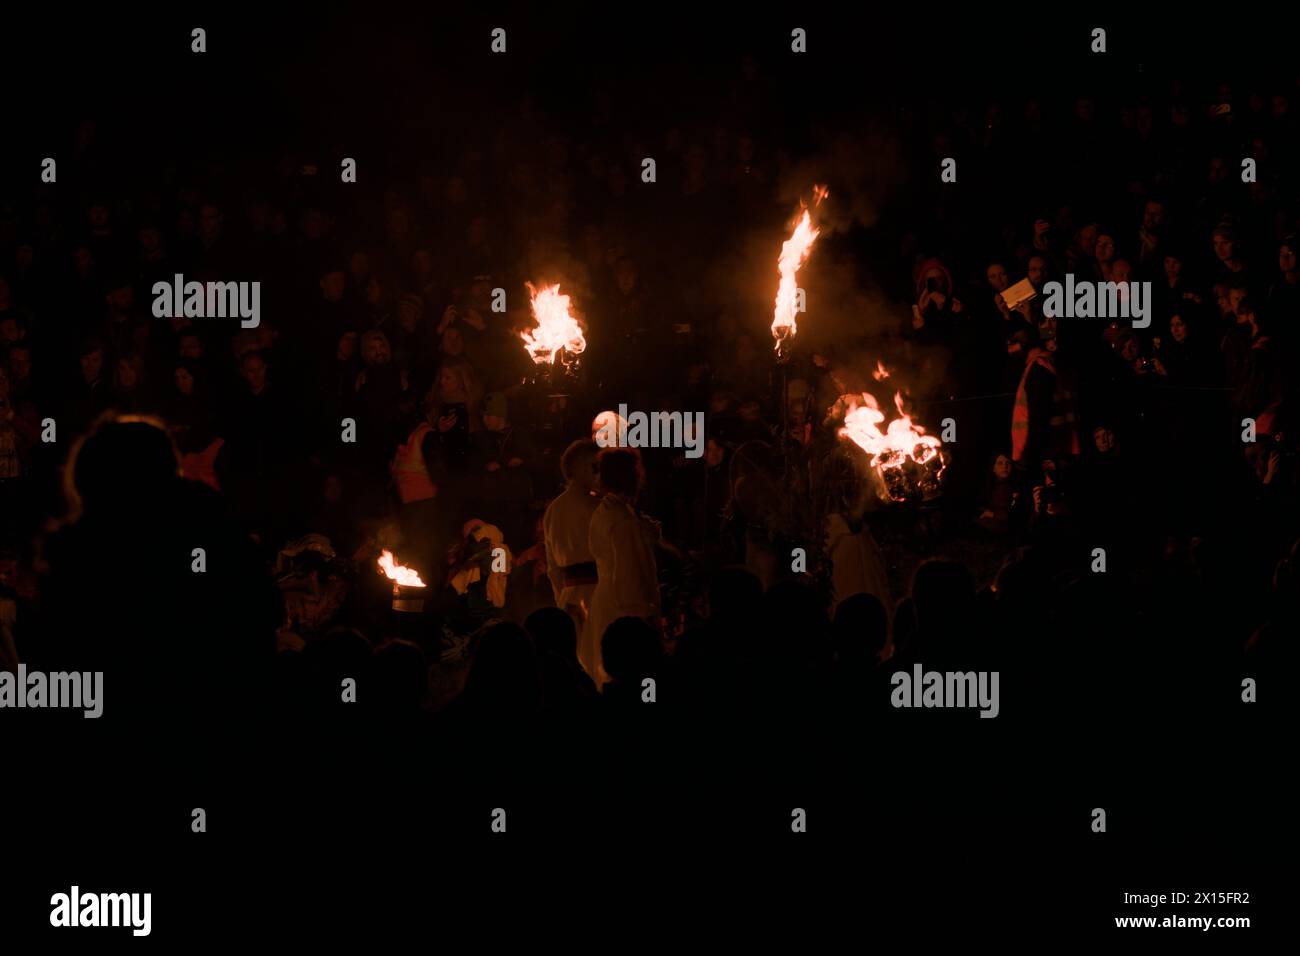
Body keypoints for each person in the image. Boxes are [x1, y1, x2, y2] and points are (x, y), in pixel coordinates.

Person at [586, 448, 661, 688]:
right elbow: (629, 574)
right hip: (623, 609)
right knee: (631, 678)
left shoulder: (608, 511)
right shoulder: (622, 521)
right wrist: (643, 616)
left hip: (607, 600)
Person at [543, 440, 601, 679]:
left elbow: (552, 568)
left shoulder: (553, 510)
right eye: (592, 466)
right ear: (576, 470)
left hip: (570, 596)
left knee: (581, 658)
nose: (597, 473)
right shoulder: (598, 506)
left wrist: (561, 598)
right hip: (596, 592)